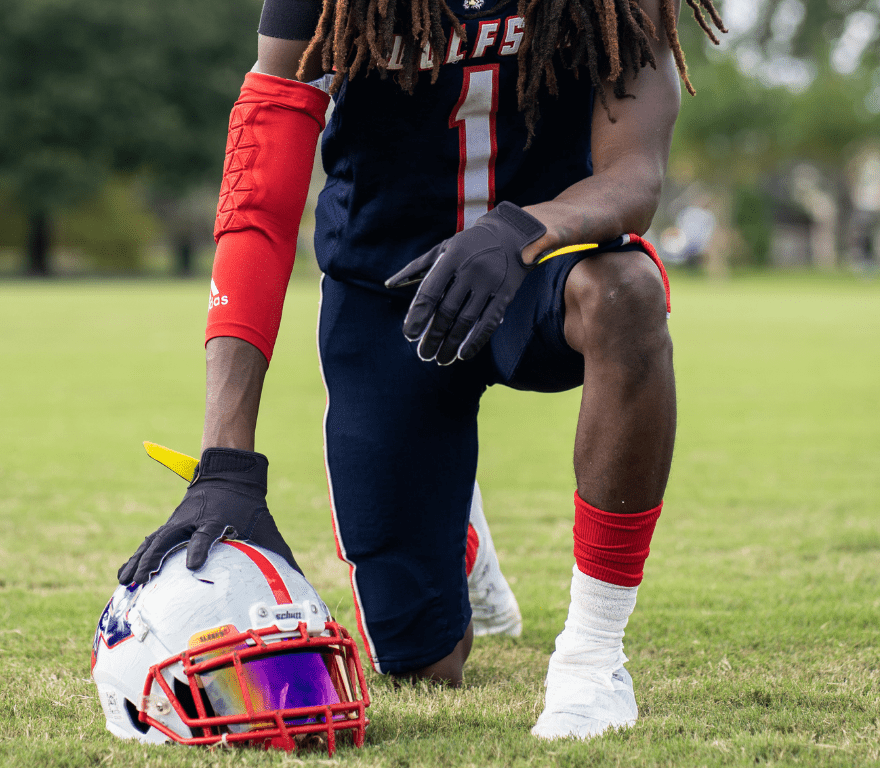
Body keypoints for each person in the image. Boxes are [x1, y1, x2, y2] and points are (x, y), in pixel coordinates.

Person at [117, 0, 725, 740]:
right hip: (387, 292)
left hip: (540, 265)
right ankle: (452, 522)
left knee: (630, 291)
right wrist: (224, 462)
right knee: (422, 664)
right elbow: (260, 202)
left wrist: (521, 229)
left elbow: (636, 177)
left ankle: (594, 657)